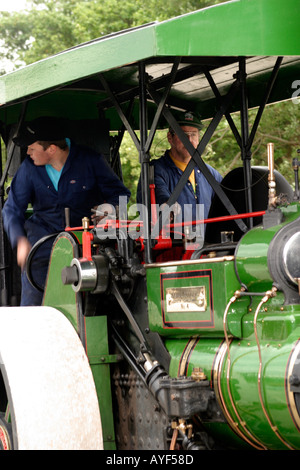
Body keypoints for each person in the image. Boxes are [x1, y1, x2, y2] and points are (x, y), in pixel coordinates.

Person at [3, 116, 131, 306]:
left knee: (88, 308)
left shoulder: (91, 160)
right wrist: (20, 241)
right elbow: (12, 210)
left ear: (52, 149)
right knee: (33, 310)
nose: (27, 152)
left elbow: (120, 194)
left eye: (32, 147)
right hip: (40, 250)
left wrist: (110, 209)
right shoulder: (28, 168)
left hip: (85, 249)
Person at [138, 111, 222, 225]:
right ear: (170, 137)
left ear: (198, 138)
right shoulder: (155, 170)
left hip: (208, 242)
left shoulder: (211, 174)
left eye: (193, 134)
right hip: (173, 241)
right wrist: (167, 205)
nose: (189, 139)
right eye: (183, 134)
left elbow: (226, 204)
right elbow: (160, 194)